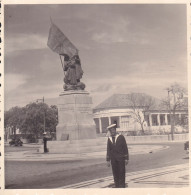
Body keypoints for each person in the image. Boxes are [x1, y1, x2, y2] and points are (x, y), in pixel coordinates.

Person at [106, 124, 129, 188]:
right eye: (111, 130)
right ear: (110, 131)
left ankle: (122, 186)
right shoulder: (109, 139)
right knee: (115, 173)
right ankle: (117, 185)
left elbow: (125, 147)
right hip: (113, 159)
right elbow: (108, 149)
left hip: (121, 158)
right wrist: (108, 160)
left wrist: (126, 158)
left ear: (115, 130)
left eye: (113, 130)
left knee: (121, 172)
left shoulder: (121, 137)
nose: (112, 132)